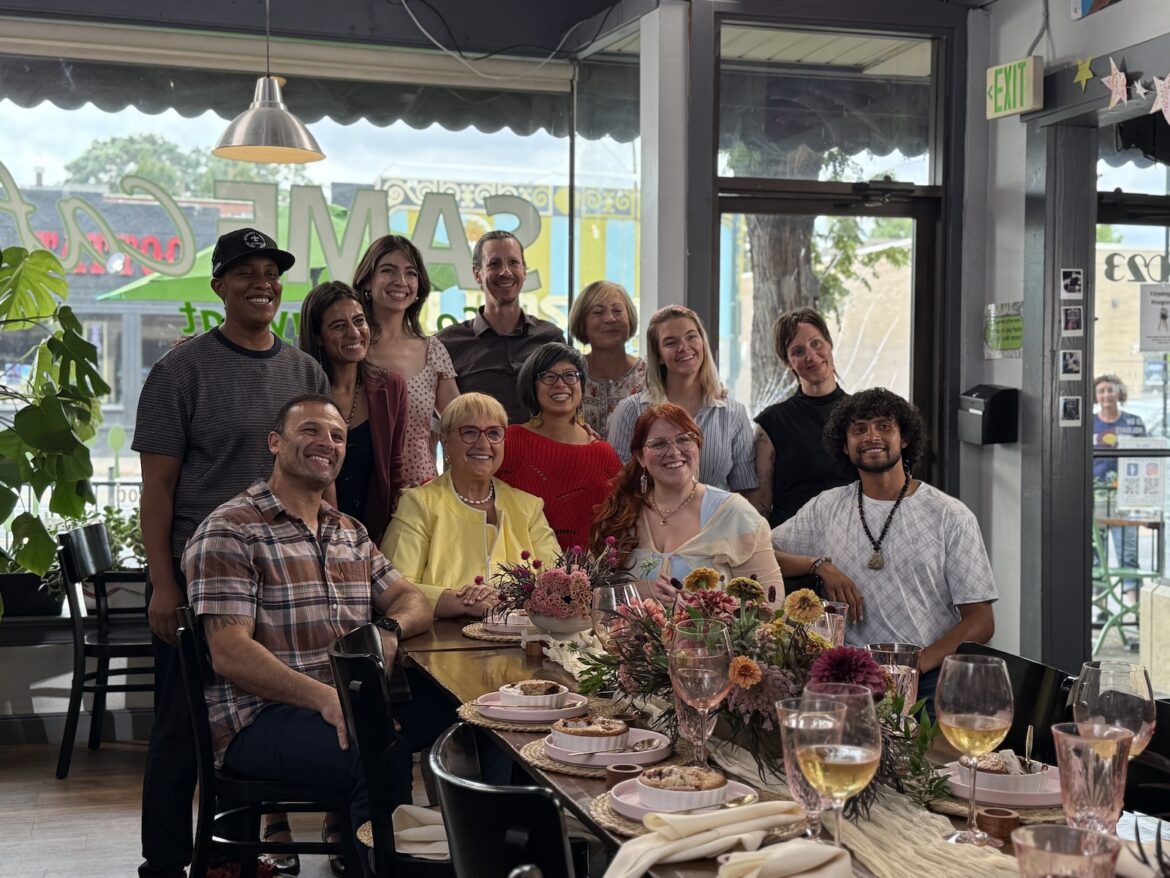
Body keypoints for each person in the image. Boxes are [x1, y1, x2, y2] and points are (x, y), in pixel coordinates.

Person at [131, 228, 330, 878]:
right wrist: (164, 585)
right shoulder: (179, 371)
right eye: (244, 272)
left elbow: (317, 472)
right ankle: (162, 864)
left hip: (283, 584)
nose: (261, 283)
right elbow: (156, 488)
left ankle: (232, 858)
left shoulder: (304, 371)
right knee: (181, 731)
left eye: (271, 272)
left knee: (254, 723)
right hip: (201, 580)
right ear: (218, 285)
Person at [186, 395, 434, 861]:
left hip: (345, 702)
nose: (328, 443)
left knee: (469, 720)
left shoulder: (349, 532)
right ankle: (379, 868)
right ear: (275, 443)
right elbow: (229, 652)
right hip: (258, 719)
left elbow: (412, 599)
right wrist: (326, 699)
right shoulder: (230, 530)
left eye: (338, 436)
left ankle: (472, 858)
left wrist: (388, 628)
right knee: (380, 750)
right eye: (312, 431)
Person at [771, 388, 997, 702]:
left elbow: (981, 621)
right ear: (845, 446)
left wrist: (914, 666)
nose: (872, 436)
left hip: (929, 682)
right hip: (845, 680)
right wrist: (818, 565)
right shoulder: (827, 508)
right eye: (859, 430)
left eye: (883, 426)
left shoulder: (950, 516)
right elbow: (763, 554)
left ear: (904, 438)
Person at [382, 392, 561, 618]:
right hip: (439, 644)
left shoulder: (529, 506)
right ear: (445, 442)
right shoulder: (418, 503)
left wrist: (502, 600)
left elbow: (557, 582)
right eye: (469, 432)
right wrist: (464, 602)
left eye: (494, 433)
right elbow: (392, 588)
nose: (484, 444)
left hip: (524, 640)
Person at [591, 403, 782, 603]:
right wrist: (634, 590)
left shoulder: (735, 514)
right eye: (659, 444)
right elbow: (590, 593)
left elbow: (771, 603)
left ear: (697, 446)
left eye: (683, 440)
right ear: (640, 457)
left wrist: (698, 613)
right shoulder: (622, 512)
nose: (674, 452)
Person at [299, 280, 408, 543]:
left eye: (359, 321)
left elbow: (395, 466)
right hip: (309, 532)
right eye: (338, 326)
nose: (354, 333)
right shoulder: (301, 392)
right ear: (317, 336)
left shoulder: (391, 385)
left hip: (372, 534)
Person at [607, 305, 756, 494]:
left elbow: (746, 490)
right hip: (649, 520)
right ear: (659, 356)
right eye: (670, 342)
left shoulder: (733, 413)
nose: (684, 347)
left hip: (715, 521)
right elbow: (618, 485)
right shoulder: (630, 410)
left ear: (702, 342)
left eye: (691, 336)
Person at [354, 235, 459, 487]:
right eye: (388, 270)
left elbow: (460, 422)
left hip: (419, 494)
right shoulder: (351, 344)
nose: (400, 281)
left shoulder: (432, 350)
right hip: (357, 491)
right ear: (367, 280)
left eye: (410, 273)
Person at [496, 342, 622, 550]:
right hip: (518, 573)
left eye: (570, 375)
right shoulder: (509, 441)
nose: (560, 384)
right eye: (548, 376)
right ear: (532, 385)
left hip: (594, 577)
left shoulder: (604, 453)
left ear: (582, 384)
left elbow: (622, 519)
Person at [436, 230, 564, 424]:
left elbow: (568, 403)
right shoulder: (446, 345)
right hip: (477, 453)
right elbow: (440, 424)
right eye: (494, 264)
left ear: (524, 270)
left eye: (513, 262)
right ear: (477, 274)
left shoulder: (551, 338)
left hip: (542, 453)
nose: (505, 272)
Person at [750, 308, 856, 530]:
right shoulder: (770, 423)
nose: (811, 355)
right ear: (788, 362)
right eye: (798, 351)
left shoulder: (862, 415)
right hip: (790, 543)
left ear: (829, 344)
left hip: (852, 539)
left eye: (816, 343)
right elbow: (759, 505)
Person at [568, 280, 647, 436]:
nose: (610, 319)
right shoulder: (569, 375)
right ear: (582, 322)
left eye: (617, 311)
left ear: (629, 318)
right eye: (598, 312)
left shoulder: (649, 376)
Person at [1092, 374, 1148, 582]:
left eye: (1110, 390)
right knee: (1096, 558)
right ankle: (1100, 609)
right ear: (1095, 396)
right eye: (1101, 391)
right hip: (1096, 498)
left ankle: (1132, 610)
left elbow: (1145, 460)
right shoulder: (1089, 424)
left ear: (1119, 393)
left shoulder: (1133, 422)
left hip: (1126, 499)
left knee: (1129, 555)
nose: (1106, 395)